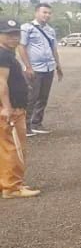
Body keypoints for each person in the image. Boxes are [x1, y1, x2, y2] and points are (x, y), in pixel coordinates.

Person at [1, 18, 40, 198]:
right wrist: (7, 108)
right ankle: (13, 187)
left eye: (16, 34)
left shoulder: (7, 54)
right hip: (11, 109)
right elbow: (1, 82)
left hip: (14, 107)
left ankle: (7, 183)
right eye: (9, 35)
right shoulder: (3, 55)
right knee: (14, 148)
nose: (14, 38)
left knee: (6, 147)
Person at [18, 2, 63, 136]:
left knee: (43, 97)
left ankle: (36, 123)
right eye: (44, 12)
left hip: (48, 68)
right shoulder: (27, 28)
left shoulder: (50, 30)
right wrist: (28, 66)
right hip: (34, 69)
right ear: (36, 13)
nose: (47, 15)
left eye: (49, 13)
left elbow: (54, 49)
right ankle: (25, 126)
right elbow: (22, 47)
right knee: (31, 97)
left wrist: (58, 66)